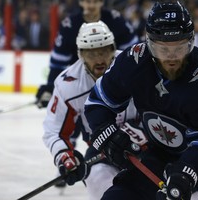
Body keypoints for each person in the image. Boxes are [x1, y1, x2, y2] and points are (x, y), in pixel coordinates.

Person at [83, 1, 198, 200]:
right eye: (162, 49)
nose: (171, 58)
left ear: (191, 42)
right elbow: (99, 102)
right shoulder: (132, 62)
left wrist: (186, 172)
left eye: (179, 48)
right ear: (149, 43)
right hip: (162, 151)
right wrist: (105, 133)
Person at [42, 21, 141, 200]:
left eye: (103, 51)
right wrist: (65, 158)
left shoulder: (135, 67)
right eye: (91, 53)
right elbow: (54, 132)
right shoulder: (67, 85)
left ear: (113, 49)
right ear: (80, 54)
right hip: (102, 151)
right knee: (101, 187)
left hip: (146, 145)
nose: (99, 59)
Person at [36, 0, 138, 108]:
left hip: (113, 79)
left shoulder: (116, 20)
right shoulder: (70, 25)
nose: (91, 5)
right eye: (88, 1)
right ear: (81, 2)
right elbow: (58, 63)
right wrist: (50, 86)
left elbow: (133, 54)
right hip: (81, 81)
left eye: (95, 1)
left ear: (101, 2)